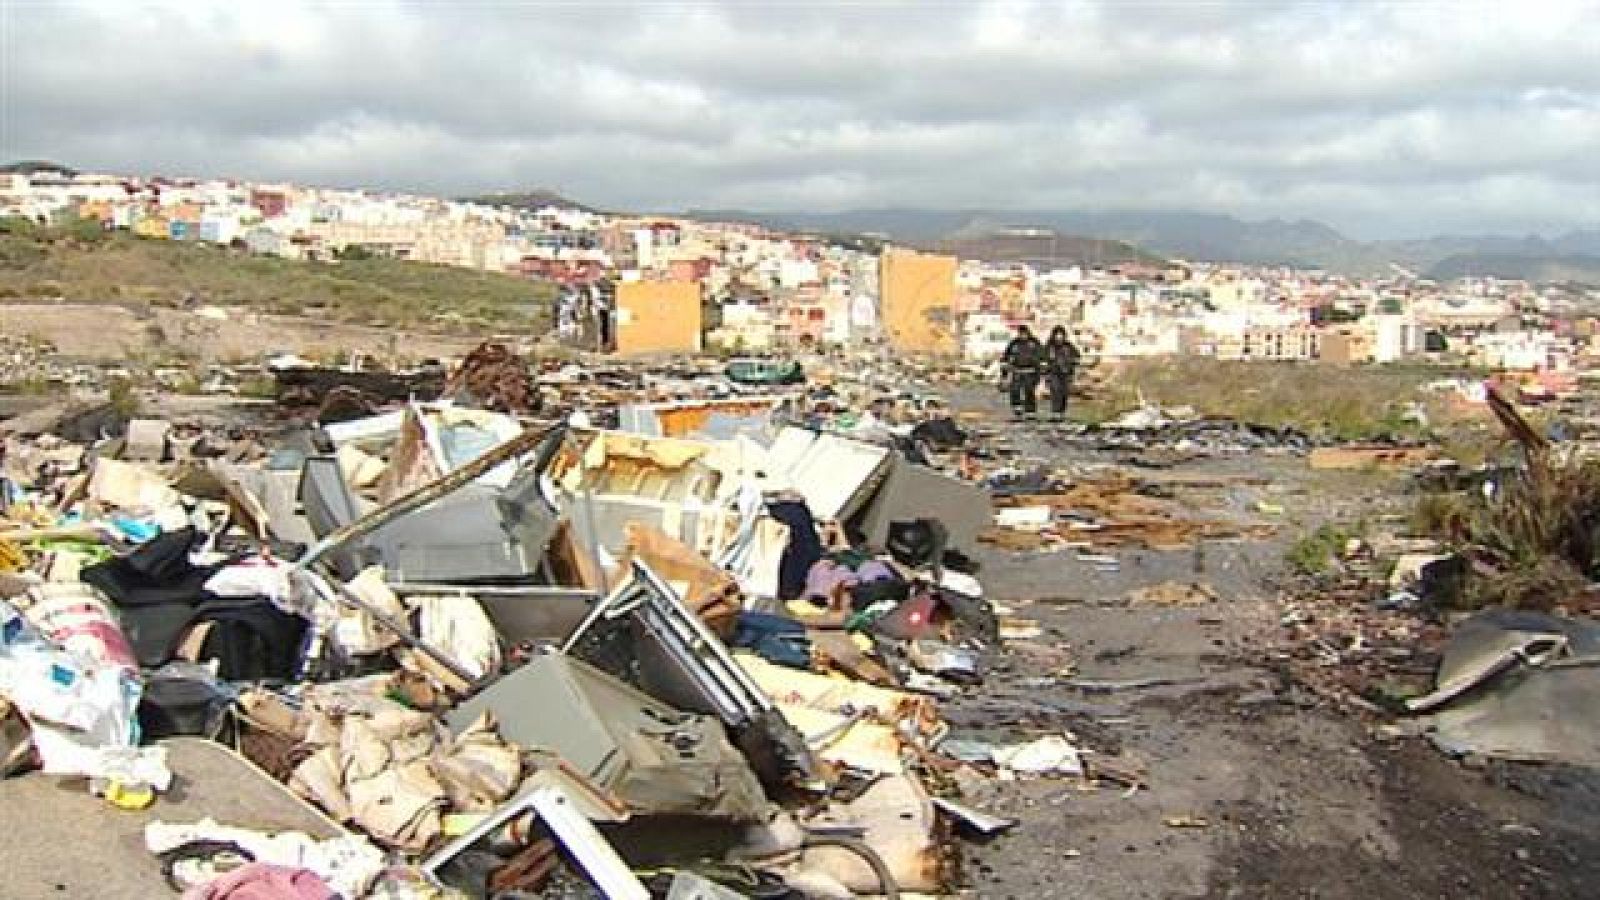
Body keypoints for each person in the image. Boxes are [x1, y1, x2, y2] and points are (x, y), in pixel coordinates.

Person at [1001, 324, 1044, 420]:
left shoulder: (1034, 343)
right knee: (1015, 390)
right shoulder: (1014, 344)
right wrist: (1004, 372)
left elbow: (1042, 356)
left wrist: (1040, 371)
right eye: (1021, 334)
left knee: (1029, 391)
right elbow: (1006, 357)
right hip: (1017, 371)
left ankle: (1030, 412)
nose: (1023, 336)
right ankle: (1017, 410)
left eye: (1024, 333)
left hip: (1031, 371)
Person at [1044, 325, 1082, 422]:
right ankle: (1055, 413)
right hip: (1053, 373)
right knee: (1055, 392)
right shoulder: (1049, 347)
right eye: (1057, 335)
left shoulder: (1068, 346)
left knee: (1064, 393)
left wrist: (1071, 363)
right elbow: (1043, 358)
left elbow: (1077, 357)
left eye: (1061, 335)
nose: (1059, 337)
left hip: (1066, 374)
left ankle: (1061, 413)